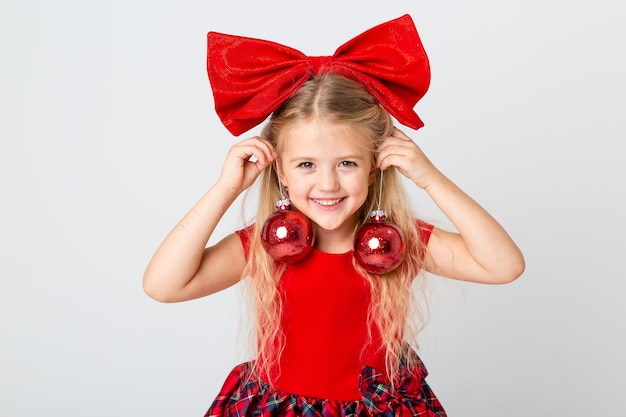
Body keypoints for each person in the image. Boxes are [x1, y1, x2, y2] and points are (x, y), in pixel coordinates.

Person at [143, 15, 525, 417]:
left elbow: (504, 266)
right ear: (280, 171)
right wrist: (225, 189)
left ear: (376, 164)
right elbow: (163, 286)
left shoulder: (399, 243)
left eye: (346, 163)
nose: (327, 184)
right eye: (306, 164)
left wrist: (432, 179)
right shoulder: (263, 246)